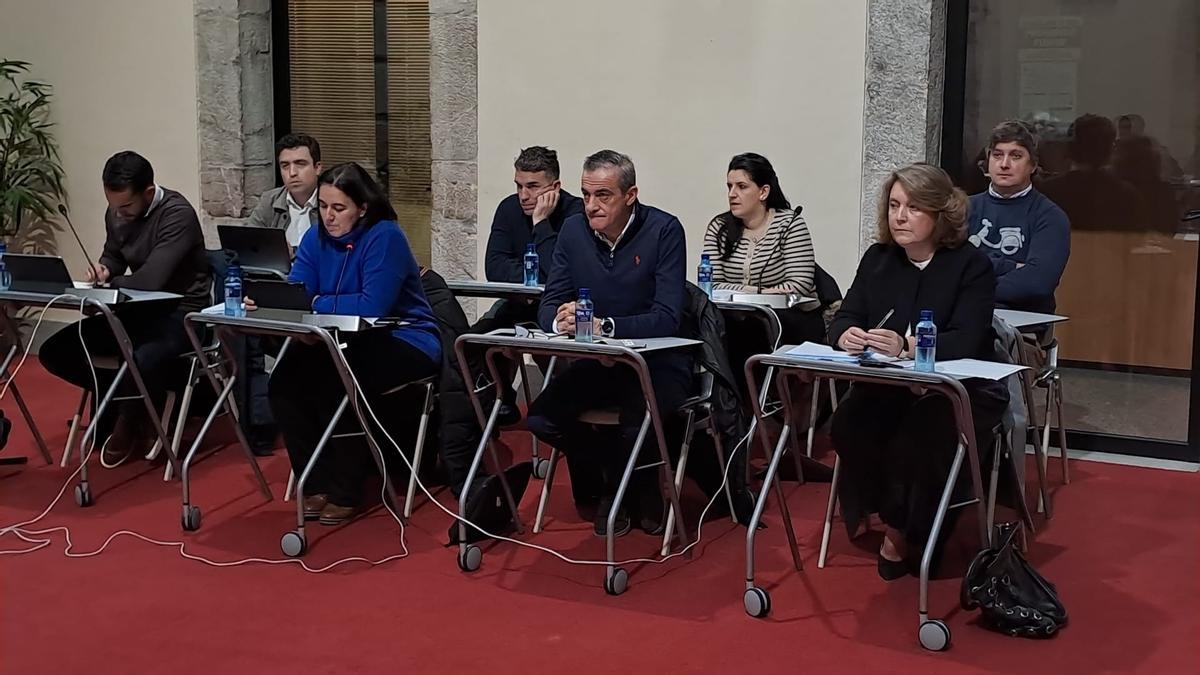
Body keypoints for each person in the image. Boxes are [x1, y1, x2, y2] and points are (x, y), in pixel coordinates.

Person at [828, 163, 1008, 580]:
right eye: (893, 205)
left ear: (940, 213)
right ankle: (900, 516)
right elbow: (844, 316)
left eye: (913, 207)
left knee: (919, 438)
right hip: (890, 386)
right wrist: (846, 335)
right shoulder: (879, 258)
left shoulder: (971, 265)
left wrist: (908, 346)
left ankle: (902, 530)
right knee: (849, 426)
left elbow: (967, 337)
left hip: (960, 388)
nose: (900, 217)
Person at [250, 163, 441, 525]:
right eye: (323, 207)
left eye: (338, 209)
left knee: (335, 381)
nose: (328, 216)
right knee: (284, 382)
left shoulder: (385, 236)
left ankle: (346, 488)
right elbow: (299, 290)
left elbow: (372, 304)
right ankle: (316, 481)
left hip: (404, 337)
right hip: (335, 338)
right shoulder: (315, 236)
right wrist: (269, 300)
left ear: (362, 208)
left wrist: (318, 301)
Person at [526, 150, 691, 537]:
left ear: (630, 195)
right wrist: (557, 319)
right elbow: (549, 301)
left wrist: (608, 326)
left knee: (639, 417)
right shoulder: (571, 230)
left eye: (603, 196)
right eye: (585, 195)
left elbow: (667, 315)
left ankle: (633, 489)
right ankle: (613, 476)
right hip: (598, 361)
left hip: (658, 362)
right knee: (540, 418)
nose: (591, 206)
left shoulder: (664, 230)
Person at [39, 151, 211, 465]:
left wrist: (110, 285)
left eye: (127, 207)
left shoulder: (177, 214)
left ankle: (129, 416)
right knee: (57, 351)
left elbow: (152, 279)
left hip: (180, 312)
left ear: (148, 192)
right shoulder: (117, 211)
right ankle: (131, 398)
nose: (119, 214)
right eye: (114, 206)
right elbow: (114, 256)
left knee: (142, 357)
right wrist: (104, 269)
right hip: (134, 308)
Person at [476, 146, 584, 424]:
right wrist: (533, 272)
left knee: (560, 356)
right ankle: (494, 406)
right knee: (475, 342)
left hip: (557, 308)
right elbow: (495, 267)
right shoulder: (508, 209)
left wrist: (541, 222)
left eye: (533, 187)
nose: (524, 195)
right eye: (519, 186)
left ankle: (563, 412)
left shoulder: (576, 215)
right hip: (516, 304)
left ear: (555, 187)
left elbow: (561, 274)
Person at [702, 151, 822, 343]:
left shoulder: (790, 224)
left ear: (763, 192)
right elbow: (710, 286)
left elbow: (799, 286)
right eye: (729, 186)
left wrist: (746, 294)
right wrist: (757, 293)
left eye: (741, 187)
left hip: (789, 319)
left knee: (749, 331)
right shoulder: (719, 227)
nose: (732, 194)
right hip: (737, 317)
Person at [966, 120, 1071, 313]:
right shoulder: (963, 208)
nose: (1004, 164)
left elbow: (1037, 284)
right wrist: (1011, 266)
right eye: (997, 155)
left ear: (1033, 165)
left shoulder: (1050, 217)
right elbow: (942, 268)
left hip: (1023, 326)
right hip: (962, 317)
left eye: (1016, 156)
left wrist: (967, 284)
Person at [246, 133, 323, 249]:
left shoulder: (330, 202)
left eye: (300, 164)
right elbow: (248, 241)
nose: (292, 173)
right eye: (285, 166)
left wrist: (292, 253)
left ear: (317, 168)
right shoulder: (270, 200)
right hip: (275, 266)